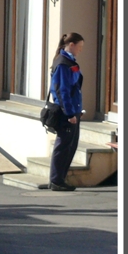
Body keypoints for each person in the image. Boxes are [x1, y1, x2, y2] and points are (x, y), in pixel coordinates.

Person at [47, 32, 85, 191]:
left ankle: (58, 179)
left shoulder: (68, 61)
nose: (80, 50)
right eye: (80, 47)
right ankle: (57, 181)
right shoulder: (63, 63)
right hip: (66, 112)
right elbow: (62, 91)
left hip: (73, 109)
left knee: (70, 145)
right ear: (71, 45)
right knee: (64, 146)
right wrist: (70, 114)